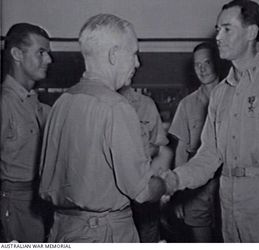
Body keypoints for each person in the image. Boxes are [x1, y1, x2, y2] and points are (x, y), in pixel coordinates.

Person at [161, 0, 259, 243]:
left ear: (251, 32)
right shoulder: (220, 94)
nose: (218, 37)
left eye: (227, 29)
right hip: (230, 211)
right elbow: (209, 156)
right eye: (217, 29)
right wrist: (174, 179)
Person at [38, 14, 170, 243]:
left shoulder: (62, 103)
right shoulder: (116, 107)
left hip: (61, 230)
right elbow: (142, 192)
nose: (137, 63)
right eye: (134, 53)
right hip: (104, 232)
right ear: (114, 55)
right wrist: (166, 182)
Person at [0, 23, 52, 242]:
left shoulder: (35, 105)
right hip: (12, 204)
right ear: (17, 54)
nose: (49, 59)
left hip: (36, 201)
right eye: (41, 52)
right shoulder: (4, 104)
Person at [168, 43, 222, 242]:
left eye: (207, 62)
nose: (202, 69)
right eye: (197, 64)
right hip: (197, 184)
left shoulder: (234, 96)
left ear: (217, 63)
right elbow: (181, 150)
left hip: (228, 178)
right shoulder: (187, 104)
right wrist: (179, 194)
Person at [119, 86, 171, 242]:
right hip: (113, 194)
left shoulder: (145, 104)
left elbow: (158, 145)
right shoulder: (100, 102)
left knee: (148, 234)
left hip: (143, 188)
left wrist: (142, 152)